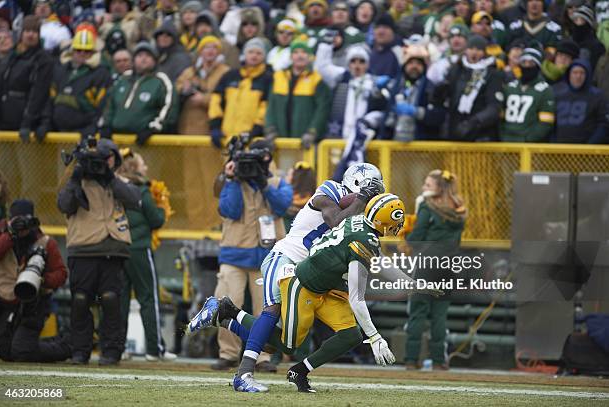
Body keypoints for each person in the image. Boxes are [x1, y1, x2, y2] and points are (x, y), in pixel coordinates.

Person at [190, 193, 419, 392]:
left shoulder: (361, 226)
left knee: (351, 334)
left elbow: (380, 262)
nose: (397, 226)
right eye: (396, 219)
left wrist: (413, 284)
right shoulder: (363, 239)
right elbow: (357, 297)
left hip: (325, 290)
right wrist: (376, 337)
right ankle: (228, 312)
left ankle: (299, 371)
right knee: (288, 344)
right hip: (304, 287)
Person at [210, 138, 293, 372]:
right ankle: (227, 353)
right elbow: (230, 210)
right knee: (228, 304)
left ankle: (262, 357)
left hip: (268, 257)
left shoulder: (277, 181)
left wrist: (263, 183)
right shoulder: (233, 179)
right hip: (234, 254)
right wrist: (234, 179)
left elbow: (282, 206)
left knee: (266, 310)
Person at [57, 138, 141, 365]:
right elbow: (64, 204)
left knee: (111, 299)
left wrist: (109, 178)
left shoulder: (117, 180)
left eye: (109, 157)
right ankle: (79, 351)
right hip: (82, 247)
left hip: (113, 248)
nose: (103, 163)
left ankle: (111, 351)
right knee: (81, 300)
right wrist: (76, 177)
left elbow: (135, 199)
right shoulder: (74, 180)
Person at [116, 149, 177, 362]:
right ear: (133, 168)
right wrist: (161, 206)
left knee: (120, 299)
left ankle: (118, 347)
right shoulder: (142, 190)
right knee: (148, 298)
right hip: (140, 248)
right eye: (143, 164)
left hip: (118, 249)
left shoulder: (114, 188)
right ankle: (154, 349)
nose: (146, 168)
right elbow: (156, 220)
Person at [405, 170, 466, 370]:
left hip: (427, 264)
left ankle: (411, 359)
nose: (424, 188)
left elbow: (417, 237)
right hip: (449, 266)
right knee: (440, 315)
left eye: (428, 185)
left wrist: (407, 232)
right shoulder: (459, 208)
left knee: (418, 312)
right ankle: (439, 361)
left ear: (439, 188)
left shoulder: (427, 206)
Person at [0, 199, 70, 362]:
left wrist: (41, 279)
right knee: (6, 352)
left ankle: (65, 346)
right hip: (5, 303)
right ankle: (51, 343)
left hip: (33, 304)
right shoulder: (2, 236)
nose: (23, 227)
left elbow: (61, 274)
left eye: (26, 221)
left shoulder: (44, 242)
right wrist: (10, 235)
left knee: (21, 352)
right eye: (18, 221)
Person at [101, 41, 179, 145]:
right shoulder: (123, 79)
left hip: (147, 141)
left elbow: (169, 107)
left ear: (155, 60)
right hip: (117, 138)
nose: (143, 58)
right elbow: (109, 104)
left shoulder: (161, 81)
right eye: (139, 55)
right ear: (133, 60)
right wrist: (106, 125)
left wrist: (153, 128)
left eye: (148, 55)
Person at [43, 28, 111, 139]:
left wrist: (94, 127)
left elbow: (104, 104)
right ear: (72, 51)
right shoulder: (61, 70)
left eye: (86, 51)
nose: (82, 53)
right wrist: (46, 122)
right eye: (78, 50)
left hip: (84, 134)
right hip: (58, 133)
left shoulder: (101, 73)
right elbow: (50, 99)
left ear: (93, 52)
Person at [264, 37, 331, 148]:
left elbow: (322, 109)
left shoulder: (316, 79)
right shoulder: (279, 76)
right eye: (296, 52)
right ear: (291, 56)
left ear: (310, 57)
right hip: (280, 140)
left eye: (304, 52)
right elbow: (271, 105)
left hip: (304, 141)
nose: (300, 56)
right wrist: (270, 128)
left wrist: (313, 131)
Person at [209, 37, 272, 148]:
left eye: (259, 53)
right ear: (244, 54)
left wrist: (254, 131)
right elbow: (216, 101)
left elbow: (265, 107)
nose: (254, 56)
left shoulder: (267, 79)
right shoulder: (230, 76)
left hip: (251, 139)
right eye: (251, 52)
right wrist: (215, 126)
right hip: (227, 137)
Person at [0, 16, 53, 142]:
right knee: (3, 161)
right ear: (21, 33)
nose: (30, 35)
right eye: (27, 31)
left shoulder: (43, 59)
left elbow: (39, 93)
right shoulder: (12, 56)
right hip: (3, 124)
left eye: (34, 32)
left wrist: (27, 122)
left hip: (26, 126)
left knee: (26, 162)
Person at [441, 34, 504, 141]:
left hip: (481, 135)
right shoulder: (456, 70)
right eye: (471, 49)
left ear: (484, 53)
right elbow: (446, 100)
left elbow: (494, 108)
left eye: (478, 49)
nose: (474, 53)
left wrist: (474, 122)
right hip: (454, 131)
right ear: (466, 50)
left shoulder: (492, 74)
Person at [391, 43, 446, 141]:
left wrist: (417, 112)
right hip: (393, 144)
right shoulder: (396, 86)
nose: (414, 66)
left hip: (421, 145)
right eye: (411, 63)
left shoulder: (431, 88)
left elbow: (440, 116)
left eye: (418, 63)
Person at [500, 47, 556, 142]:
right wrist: (502, 136)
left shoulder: (545, 90)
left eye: (531, 63)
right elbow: (500, 116)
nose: (527, 66)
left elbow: (546, 122)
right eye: (524, 62)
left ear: (538, 66)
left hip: (528, 147)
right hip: (506, 143)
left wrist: (527, 139)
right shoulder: (509, 87)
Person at [177, 35, 230, 135]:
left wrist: (204, 99)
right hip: (187, 126)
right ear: (200, 51)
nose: (210, 51)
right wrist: (184, 90)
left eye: (214, 47)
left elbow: (227, 97)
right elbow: (177, 88)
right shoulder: (190, 72)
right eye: (206, 47)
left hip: (210, 127)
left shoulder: (225, 72)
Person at [553, 59, 608, 143]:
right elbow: (550, 123)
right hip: (558, 149)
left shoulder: (598, 96)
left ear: (588, 75)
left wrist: (590, 146)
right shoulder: (558, 93)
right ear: (569, 74)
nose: (578, 76)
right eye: (575, 72)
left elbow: (603, 124)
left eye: (582, 73)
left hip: (586, 151)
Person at [368, 14, 403, 79]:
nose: (381, 31)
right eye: (377, 27)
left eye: (385, 27)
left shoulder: (400, 52)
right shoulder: (368, 52)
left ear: (393, 32)